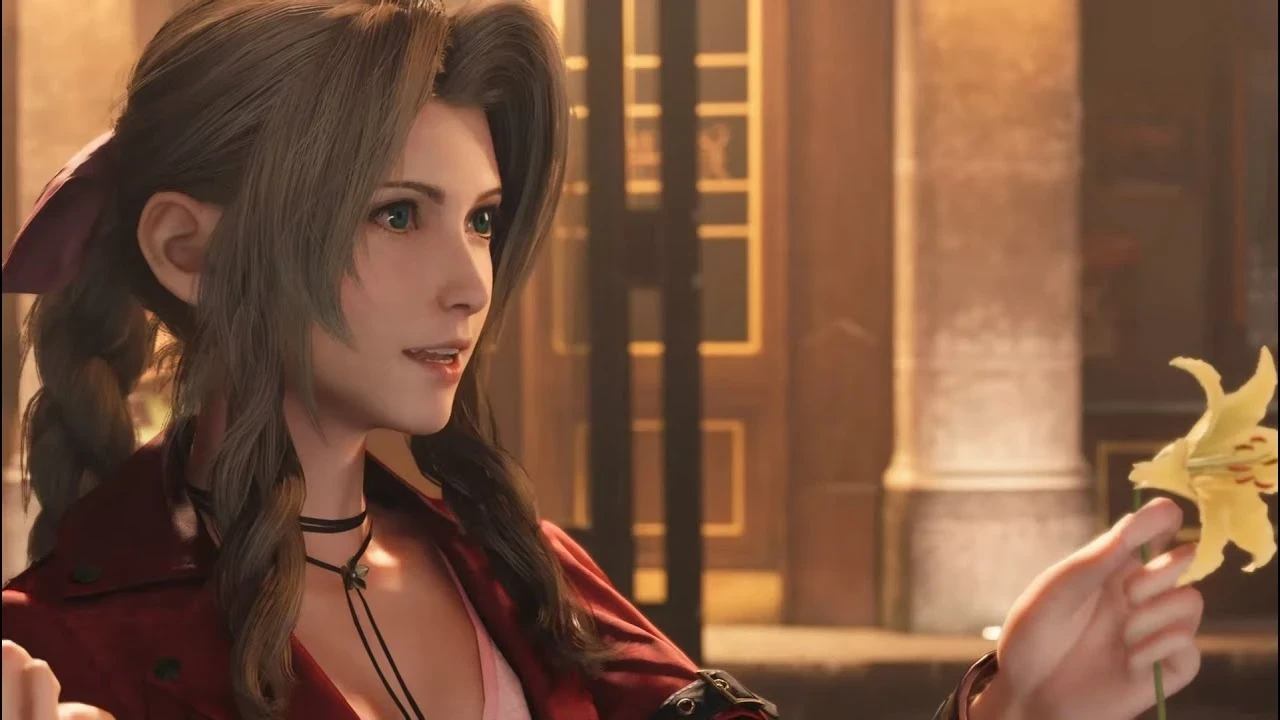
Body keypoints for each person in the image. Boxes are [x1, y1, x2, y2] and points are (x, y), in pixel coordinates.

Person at [0, 1, 1206, 719]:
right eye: (396, 213)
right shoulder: (61, 650)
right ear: (188, 250)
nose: (469, 281)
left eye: (481, 219)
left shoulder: (512, 567)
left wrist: (1013, 707)